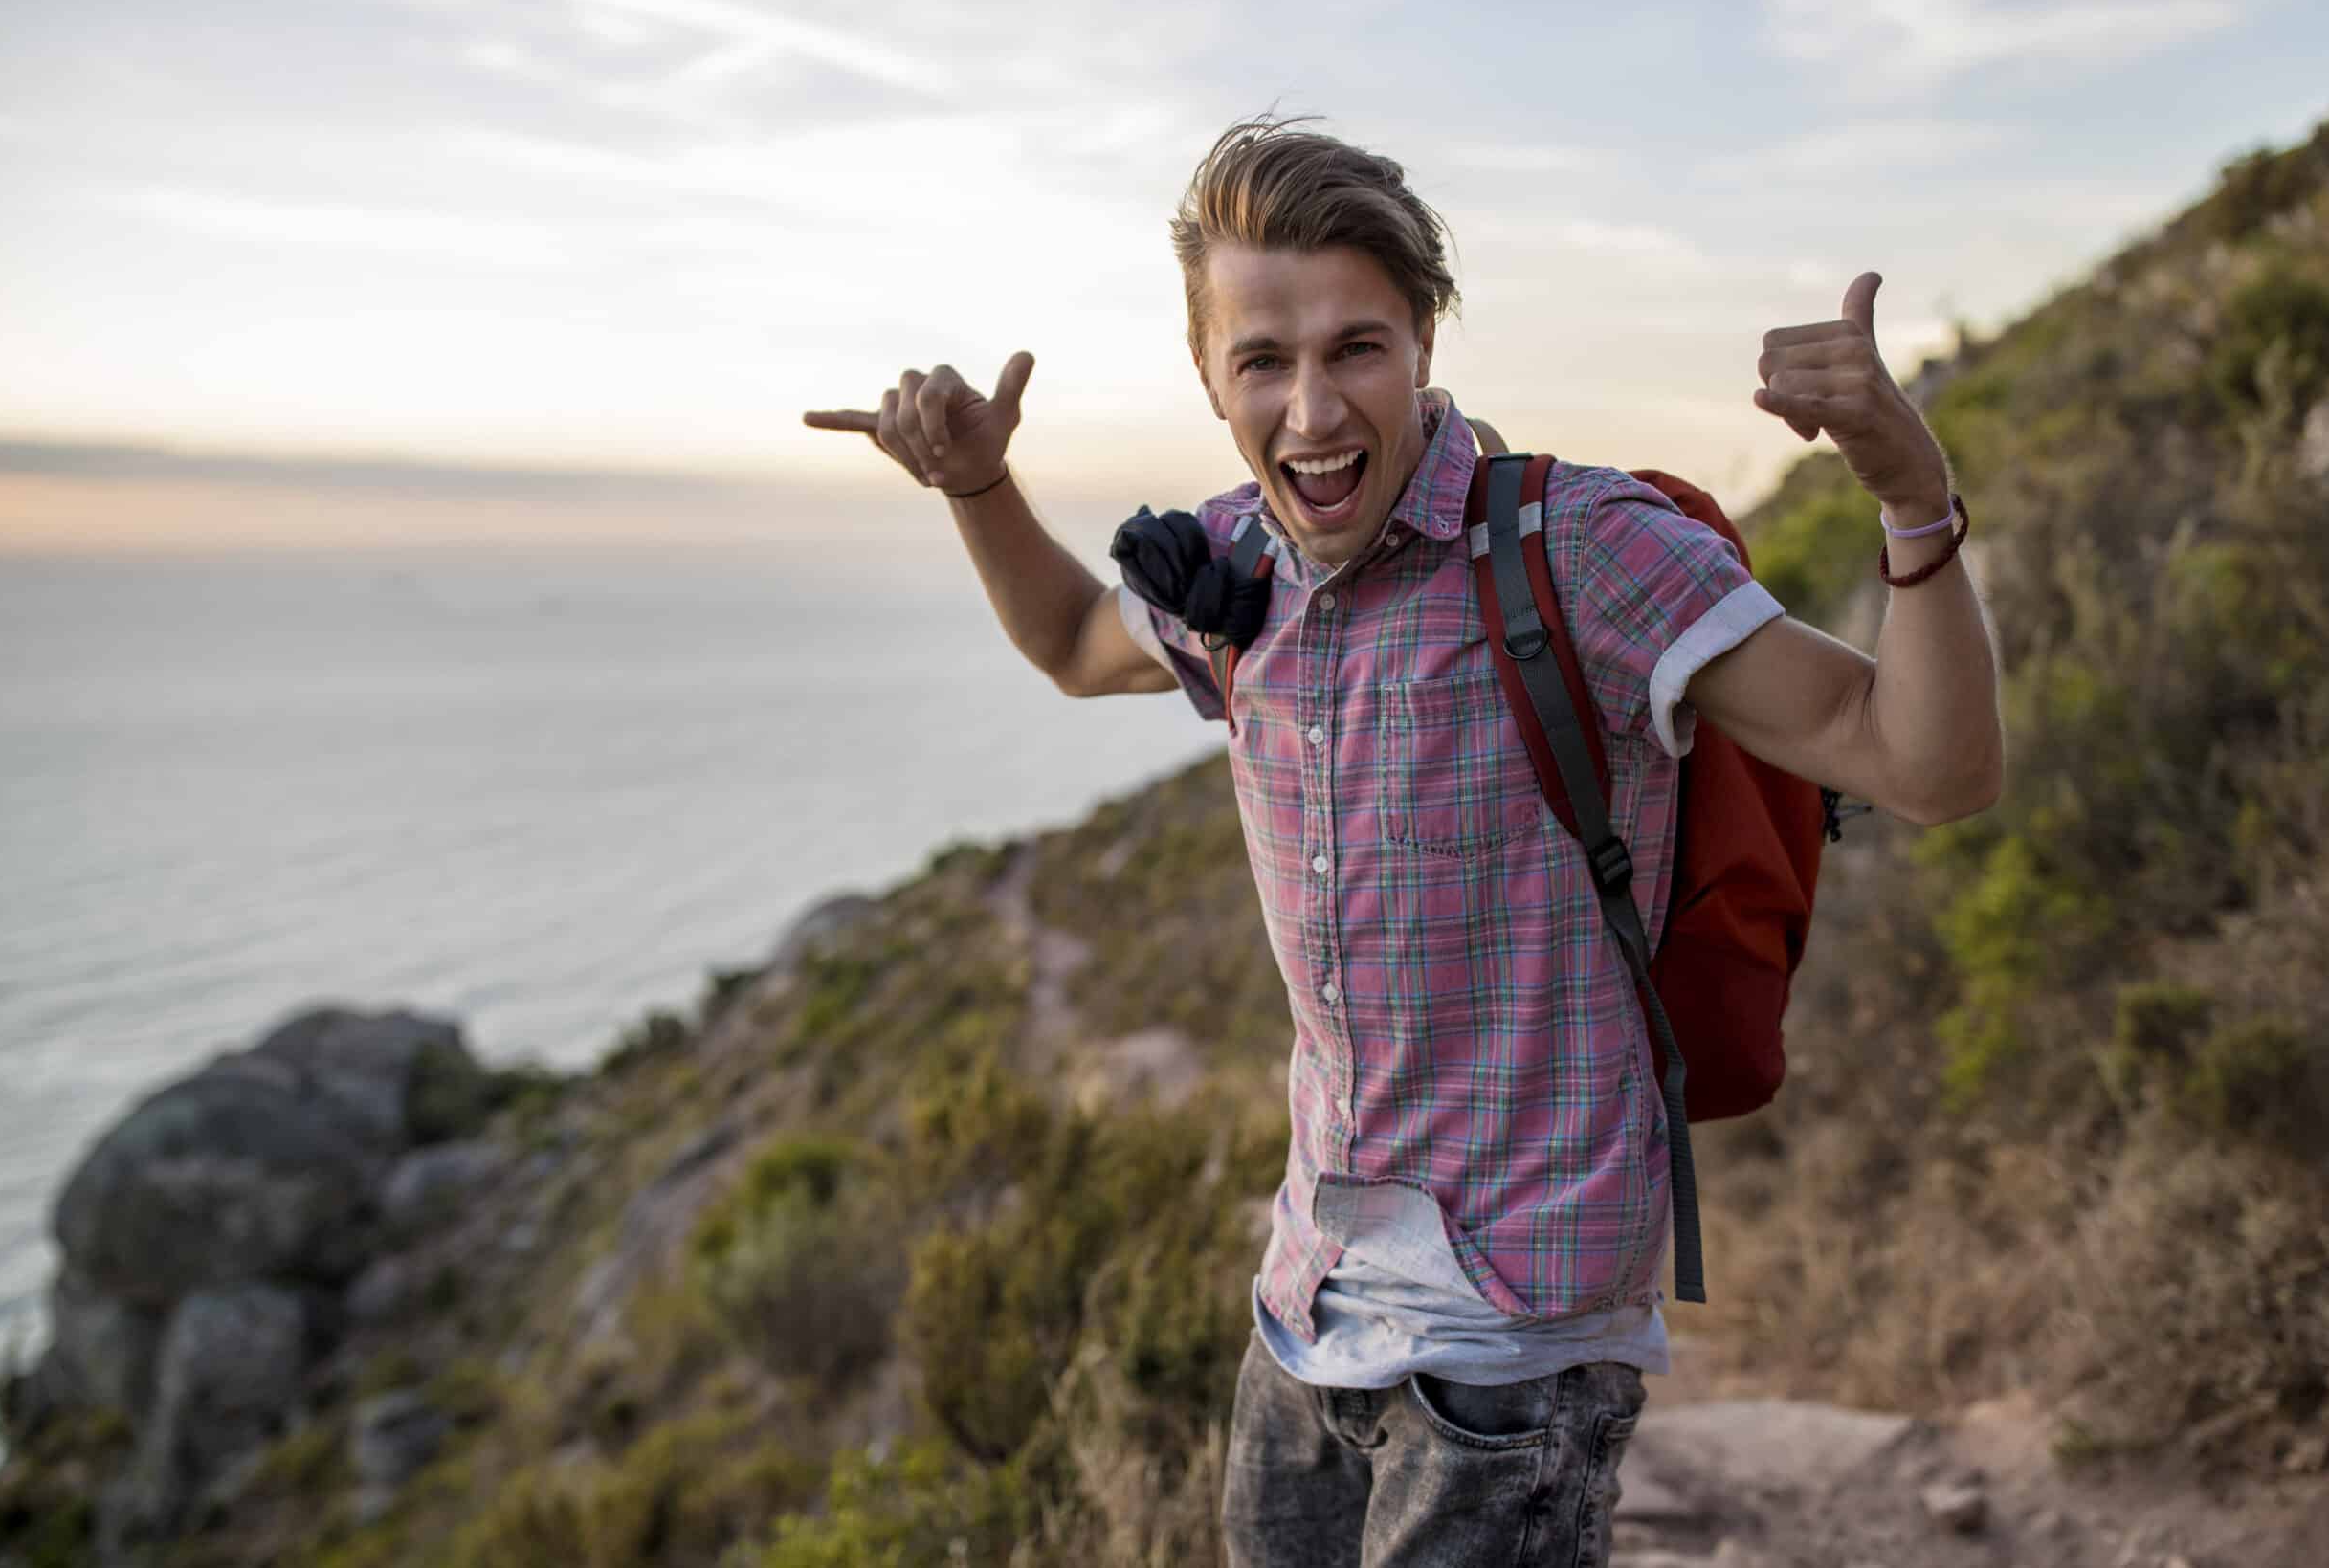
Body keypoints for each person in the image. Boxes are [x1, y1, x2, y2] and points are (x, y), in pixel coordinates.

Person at [804, 118, 2003, 1568]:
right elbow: (1069, 640)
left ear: (1426, 338)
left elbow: (1924, 765)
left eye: (1355, 349)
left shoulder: (1584, 550)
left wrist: (1908, 496)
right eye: (1262, 362)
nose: (1312, 410)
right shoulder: (1233, 566)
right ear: (1209, 378)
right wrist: (979, 489)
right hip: (1308, 1301)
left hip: (1518, 1332)